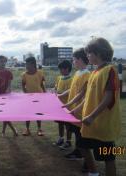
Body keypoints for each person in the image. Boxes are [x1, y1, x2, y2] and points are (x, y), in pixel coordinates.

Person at [71, 38, 121, 176]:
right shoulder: (94, 73)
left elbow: (108, 97)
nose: (87, 56)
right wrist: (77, 109)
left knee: (108, 157)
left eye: (89, 53)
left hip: (102, 122)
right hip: (89, 122)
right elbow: (88, 97)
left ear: (98, 53)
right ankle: (93, 172)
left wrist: (92, 116)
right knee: (82, 146)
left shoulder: (110, 70)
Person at [59, 48, 90, 160]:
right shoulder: (77, 73)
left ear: (80, 60)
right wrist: (61, 95)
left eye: (74, 59)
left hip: (80, 110)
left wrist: (75, 107)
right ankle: (77, 152)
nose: (73, 62)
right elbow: (72, 89)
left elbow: (84, 95)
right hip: (73, 108)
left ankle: (83, 156)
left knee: (80, 134)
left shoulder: (87, 75)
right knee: (76, 132)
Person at [21, 56, 46, 136]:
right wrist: (25, 94)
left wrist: (45, 93)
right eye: (26, 65)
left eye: (28, 64)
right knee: (27, 113)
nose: (26, 66)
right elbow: (23, 85)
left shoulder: (40, 73)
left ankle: (39, 129)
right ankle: (27, 129)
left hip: (39, 97)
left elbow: (42, 84)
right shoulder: (24, 75)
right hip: (28, 98)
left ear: (33, 64)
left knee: (38, 113)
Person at [53, 60, 73, 146]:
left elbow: (70, 91)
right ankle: (61, 138)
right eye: (60, 69)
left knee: (68, 124)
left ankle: (68, 141)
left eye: (61, 69)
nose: (60, 71)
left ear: (67, 69)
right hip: (59, 105)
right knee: (60, 122)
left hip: (68, 105)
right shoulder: (59, 78)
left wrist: (60, 94)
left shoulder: (72, 79)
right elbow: (56, 88)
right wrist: (54, 92)